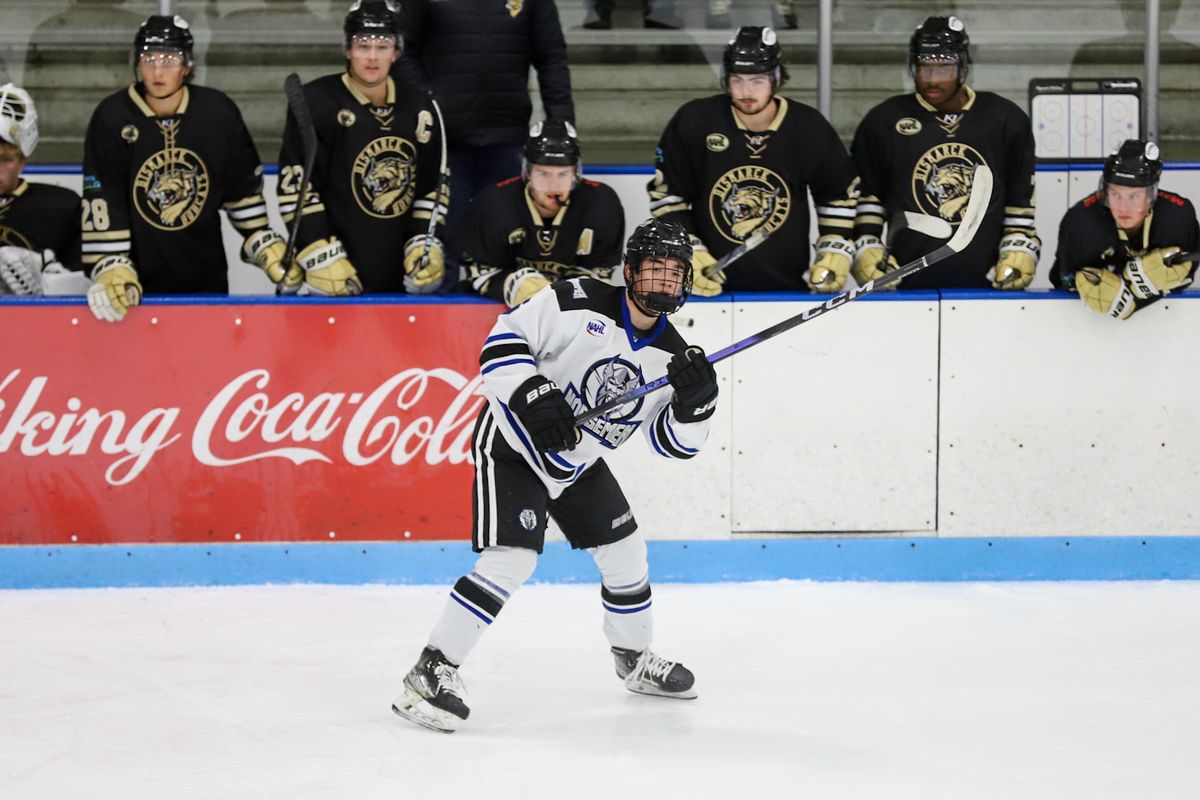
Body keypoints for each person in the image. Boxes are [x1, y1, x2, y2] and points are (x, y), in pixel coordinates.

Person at [392, 218, 718, 733]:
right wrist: (532, 394)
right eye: (654, 270)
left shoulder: (673, 356)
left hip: (579, 461)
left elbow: (671, 444)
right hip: (514, 445)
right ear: (630, 271)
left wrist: (696, 405)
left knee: (627, 550)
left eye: (674, 274)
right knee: (513, 559)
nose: (663, 282)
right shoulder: (575, 299)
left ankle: (634, 660)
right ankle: (432, 669)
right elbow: (501, 343)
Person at [81, 14, 296, 322]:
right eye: (148, 58)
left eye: (168, 59)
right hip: (136, 291)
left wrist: (264, 242)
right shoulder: (112, 118)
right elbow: (103, 198)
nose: (157, 70)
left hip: (207, 287)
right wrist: (110, 264)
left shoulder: (217, 113)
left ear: (188, 64)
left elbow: (241, 191)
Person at [647, 26, 860, 295]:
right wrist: (689, 247)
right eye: (738, 80)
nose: (746, 91)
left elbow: (837, 192)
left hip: (787, 290)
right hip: (708, 288)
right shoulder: (695, 121)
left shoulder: (807, 126)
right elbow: (668, 195)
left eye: (757, 81)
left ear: (777, 77)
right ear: (726, 79)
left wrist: (833, 246)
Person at [850, 15, 1039, 291]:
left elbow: (1020, 197)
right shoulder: (884, 120)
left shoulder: (1005, 119)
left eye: (943, 70)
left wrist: (1018, 242)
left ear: (962, 67)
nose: (932, 81)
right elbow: (869, 194)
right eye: (924, 69)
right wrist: (866, 244)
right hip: (905, 284)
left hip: (986, 285)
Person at [394, 0, 574, 289]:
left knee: (508, 251)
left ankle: (509, 332)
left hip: (508, 141)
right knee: (441, 250)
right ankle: (438, 328)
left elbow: (551, 57)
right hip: (444, 145)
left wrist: (563, 125)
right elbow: (402, 51)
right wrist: (428, 101)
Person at [278, 0, 448, 294]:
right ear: (347, 49)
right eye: (362, 45)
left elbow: (431, 187)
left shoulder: (421, 107)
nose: (372, 56)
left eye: (382, 46)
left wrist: (424, 245)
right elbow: (296, 185)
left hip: (399, 275)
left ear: (396, 52)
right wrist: (320, 254)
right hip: (333, 273)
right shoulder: (315, 102)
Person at [464, 120, 625, 307]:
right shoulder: (494, 204)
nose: (553, 186)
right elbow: (481, 272)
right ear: (527, 173)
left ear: (576, 174)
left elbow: (600, 275)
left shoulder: (601, 204)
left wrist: (563, 295)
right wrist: (515, 285)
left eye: (563, 174)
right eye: (543, 174)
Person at [1050, 139, 1199, 320]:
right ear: (1105, 192)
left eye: (1134, 196)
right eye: (1115, 194)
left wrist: (1135, 297)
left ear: (1151, 195)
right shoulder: (1082, 224)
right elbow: (1064, 280)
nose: (1123, 207)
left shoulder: (1177, 219)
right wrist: (1133, 287)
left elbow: (1186, 272)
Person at [0, 83, 81, 295]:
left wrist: (53, 281)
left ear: (22, 162)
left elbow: (93, 285)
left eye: (5, 160)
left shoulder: (61, 207)